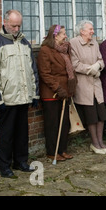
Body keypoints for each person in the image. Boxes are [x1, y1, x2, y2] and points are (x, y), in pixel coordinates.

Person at [0, 9, 39, 178]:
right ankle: (4, 166)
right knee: (6, 135)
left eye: (19, 25)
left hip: (24, 96)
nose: (16, 29)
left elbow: (32, 70)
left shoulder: (24, 43)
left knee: (22, 133)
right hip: (7, 98)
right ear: (5, 22)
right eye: (13, 25)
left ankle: (21, 161)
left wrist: (35, 93)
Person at [37, 25, 77, 162]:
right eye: (63, 34)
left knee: (64, 122)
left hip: (65, 93)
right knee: (53, 124)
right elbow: (45, 73)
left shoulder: (65, 50)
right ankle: (52, 152)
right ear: (55, 35)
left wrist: (69, 88)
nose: (65, 36)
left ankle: (62, 149)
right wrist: (58, 89)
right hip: (52, 93)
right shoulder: (45, 50)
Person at [70, 20, 106, 154]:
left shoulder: (94, 43)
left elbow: (101, 60)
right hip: (84, 85)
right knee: (91, 116)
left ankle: (101, 142)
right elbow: (75, 64)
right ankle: (94, 143)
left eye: (92, 29)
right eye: (90, 29)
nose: (93, 31)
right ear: (82, 31)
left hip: (96, 84)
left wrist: (98, 66)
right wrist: (91, 69)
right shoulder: (74, 43)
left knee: (101, 115)